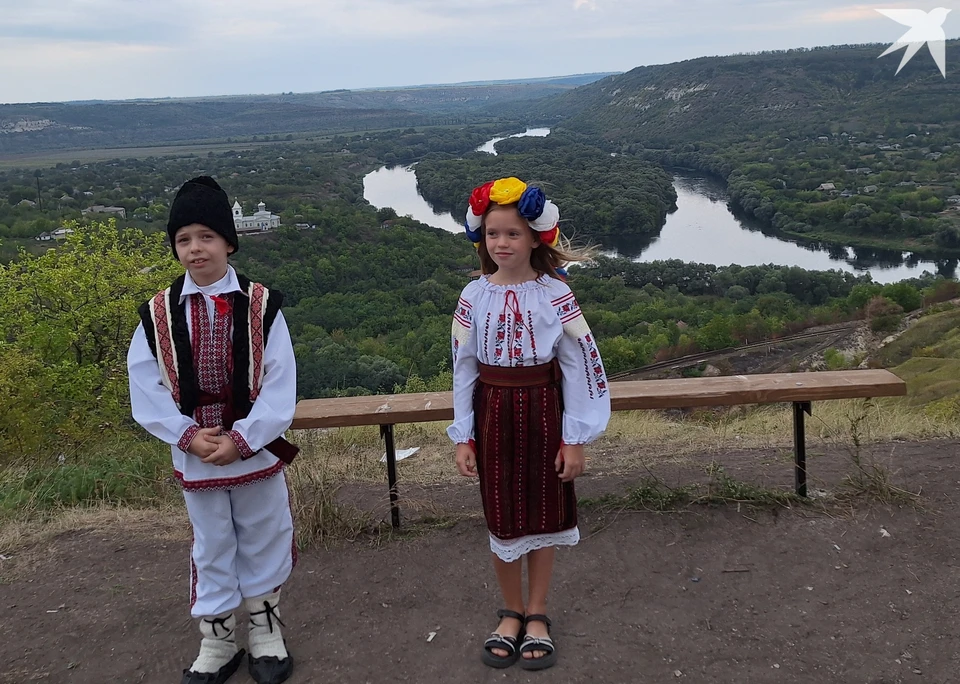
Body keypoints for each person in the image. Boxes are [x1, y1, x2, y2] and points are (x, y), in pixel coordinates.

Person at [127, 176, 299, 684]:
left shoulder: (262, 306)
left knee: (264, 532)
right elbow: (146, 384)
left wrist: (244, 437)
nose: (195, 248)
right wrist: (186, 436)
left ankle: (266, 631)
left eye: (206, 236)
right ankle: (219, 638)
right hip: (195, 450)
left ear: (229, 240)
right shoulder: (157, 314)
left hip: (255, 449)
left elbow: (280, 379)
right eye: (183, 239)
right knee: (211, 542)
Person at [447, 177, 611, 671]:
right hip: (492, 413)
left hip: (544, 413)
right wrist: (464, 435)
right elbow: (463, 367)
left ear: (536, 237)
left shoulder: (555, 295)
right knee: (502, 517)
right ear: (482, 237)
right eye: (493, 233)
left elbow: (579, 364)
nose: (502, 244)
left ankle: (537, 612)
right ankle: (510, 612)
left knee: (544, 517)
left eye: (512, 234)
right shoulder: (473, 296)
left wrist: (576, 438)